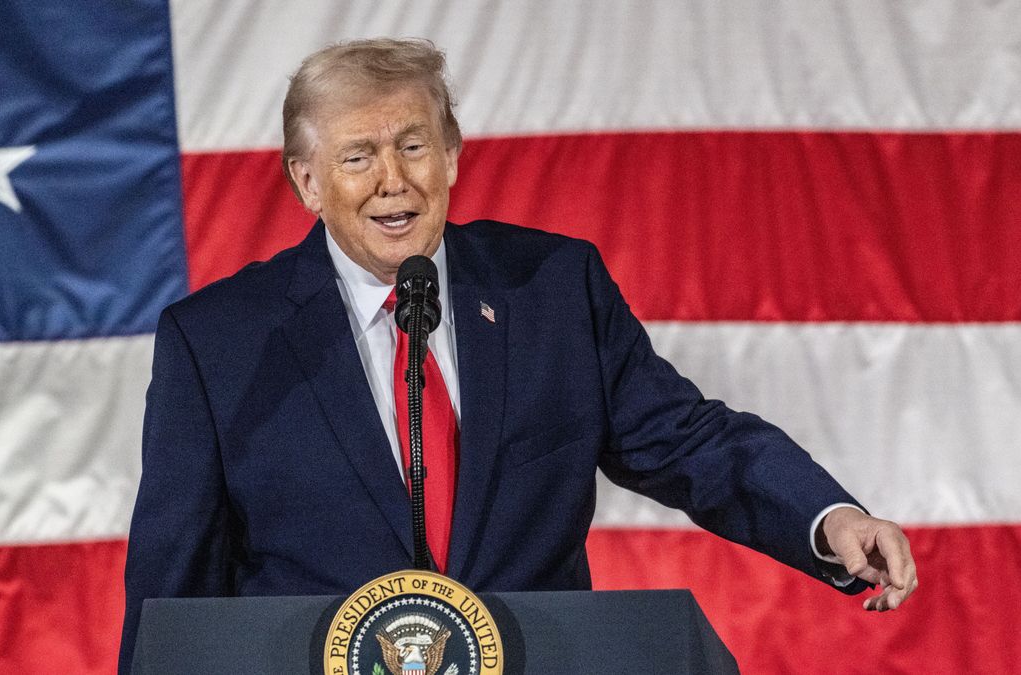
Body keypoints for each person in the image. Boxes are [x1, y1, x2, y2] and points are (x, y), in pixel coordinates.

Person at [119, 38, 916, 672]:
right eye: (357, 156)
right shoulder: (219, 341)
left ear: (454, 155)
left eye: (412, 146)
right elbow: (175, 581)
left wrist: (827, 517)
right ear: (307, 182)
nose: (392, 180)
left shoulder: (553, 289)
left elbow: (686, 438)